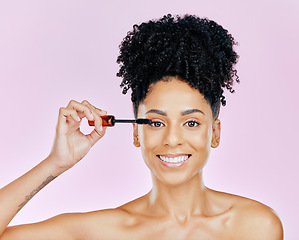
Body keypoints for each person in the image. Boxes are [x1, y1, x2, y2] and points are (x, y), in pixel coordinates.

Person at [0, 14, 283, 239]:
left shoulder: (255, 227)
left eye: (191, 122)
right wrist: (56, 163)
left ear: (215, 133)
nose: (172, 139)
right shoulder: (107, 232)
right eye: (156, 122)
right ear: (136, 133)